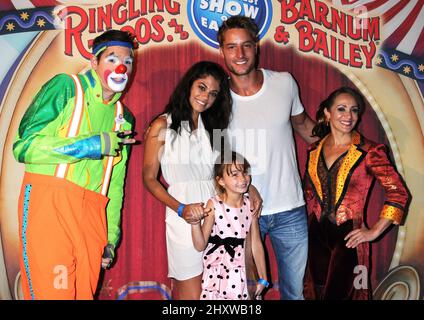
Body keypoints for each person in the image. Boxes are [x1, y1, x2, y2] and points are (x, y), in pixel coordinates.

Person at [13, 29, 138, 299]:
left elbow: (115, 185)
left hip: (93, 215)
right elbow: (24, 147)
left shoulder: (124, 117)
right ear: (94, 62)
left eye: (128, 61)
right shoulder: (66, 87)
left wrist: (110, 237)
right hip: (51, 202)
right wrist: (90, 145)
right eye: (112, 58)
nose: (121, 67)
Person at [142, 61, 262, 299]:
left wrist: (253, 188)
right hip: (184, 215)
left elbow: (229, 170)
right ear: (189, 86)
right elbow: (148, 178)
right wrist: (180, 209)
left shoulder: (214, 129)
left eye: (213, 93)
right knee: (190, 295)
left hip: (221, 215)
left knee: (222, 291)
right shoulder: (161, 125)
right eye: (201, 87)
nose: (206, 97)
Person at [217, 15, 316, 300]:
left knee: (294, 294)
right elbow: (214, 152)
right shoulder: (217, 96)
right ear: (222, 51)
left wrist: (351, 143)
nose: (240, 54)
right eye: (232, 47)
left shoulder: (284, 83)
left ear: (256, 47)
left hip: (290, 208)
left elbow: (304, 126)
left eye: (246, 45)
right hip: (240, 210)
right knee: (246, 294)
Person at [303, 87, 410, 299]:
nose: (348, 116)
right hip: (315, 235)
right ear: (327, 113)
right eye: (341, 109)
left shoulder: (370, 151)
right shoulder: (313, 150)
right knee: (316, 293)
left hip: (349, 238)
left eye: (354, 110)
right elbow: (309, 193)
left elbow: (398, 193)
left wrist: (374, 231)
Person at [191, 151, 268, 300]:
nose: (243, 178)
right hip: (219, 275)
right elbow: (200, 245)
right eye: (234, 174)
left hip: (245, 273)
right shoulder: (214, 205)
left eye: (245, 172)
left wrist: (263, 277)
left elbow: (256, 244)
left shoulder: (250, 204)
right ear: (221, 181)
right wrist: (194, 224)